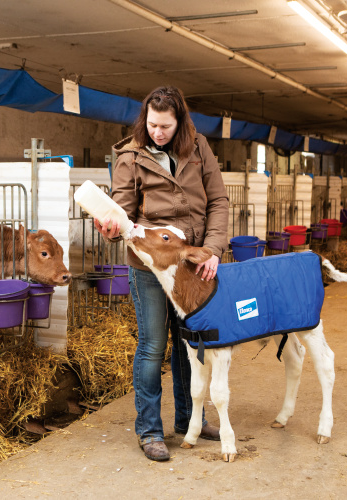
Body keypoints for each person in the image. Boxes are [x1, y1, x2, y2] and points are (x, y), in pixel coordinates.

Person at [94, 86, 229, 462]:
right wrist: (110, 226)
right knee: (153, 345)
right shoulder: (129, 156)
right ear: (145, 119)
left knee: (190, 344)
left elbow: (218, 200)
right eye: (152, 124)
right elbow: (120, 211)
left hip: (192, 263)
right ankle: (150, 430)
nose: (158, 132)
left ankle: (191, 421)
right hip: (151, 265)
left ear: (180, 122)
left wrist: (214, 250)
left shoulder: (199, 147)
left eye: (165, 126)